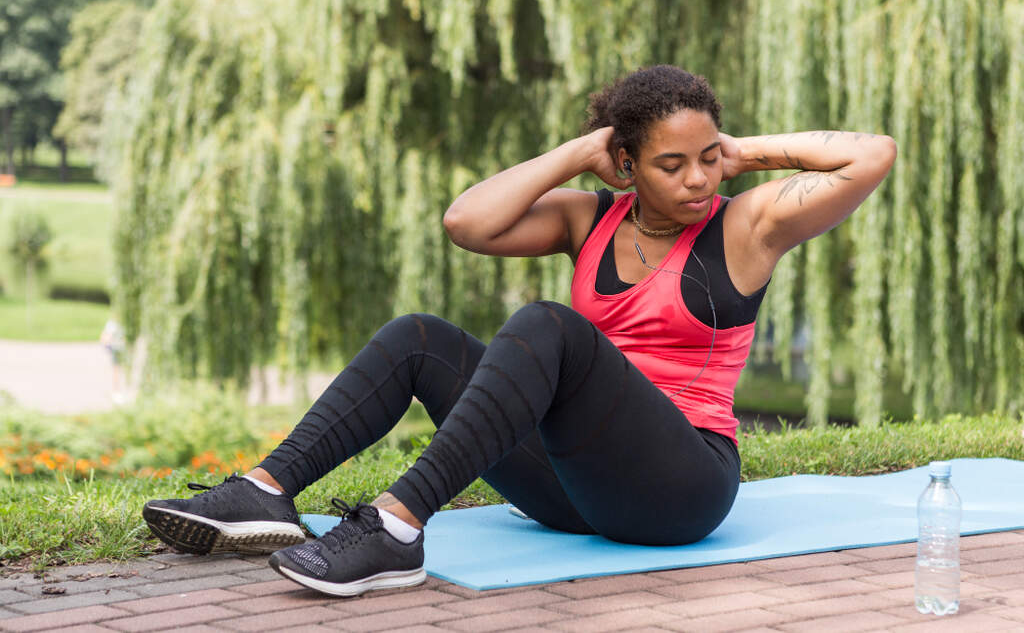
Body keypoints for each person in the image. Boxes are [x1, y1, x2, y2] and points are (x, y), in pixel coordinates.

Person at [142, 65, 897, 597]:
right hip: (576, 490)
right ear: (626, 164)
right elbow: (464, 220)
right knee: (420, 337)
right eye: (672, 164)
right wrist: (577, 153)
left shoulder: (747, 225)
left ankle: (395, 529)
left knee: (549, 326)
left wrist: (748, 152)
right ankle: (266, 489)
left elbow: (872, 155)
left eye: (707, 158)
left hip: (682, 487)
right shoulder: (588, 217)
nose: (698, 179)